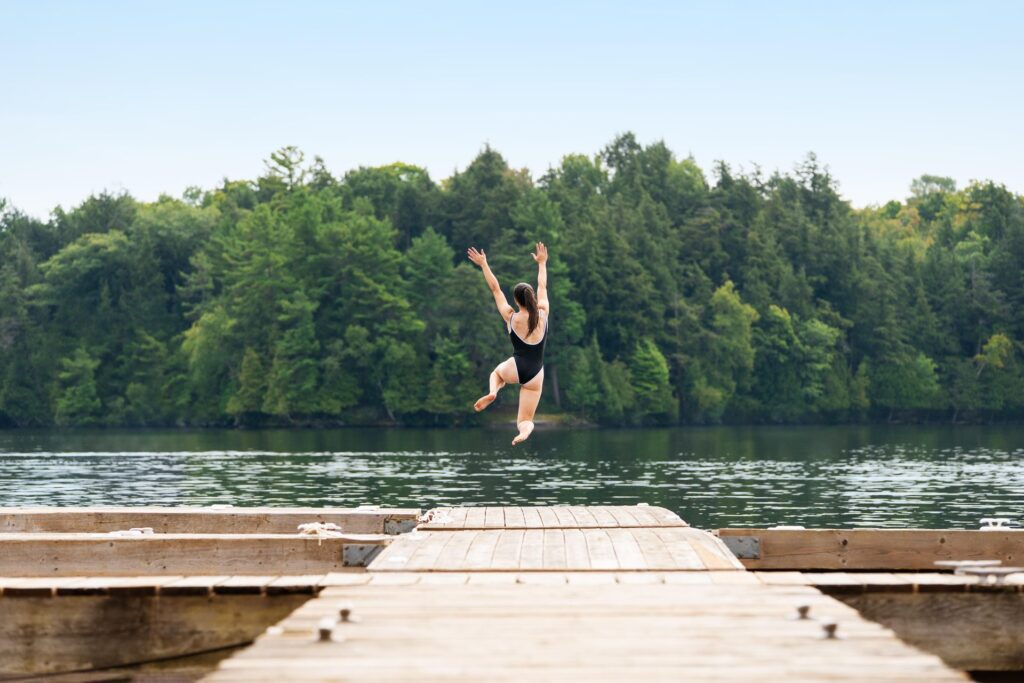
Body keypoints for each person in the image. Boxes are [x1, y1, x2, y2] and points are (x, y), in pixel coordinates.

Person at [466, 242, 549, 445]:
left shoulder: (510, 317)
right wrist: (542, 263)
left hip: (516, 367)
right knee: (525, 420)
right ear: (532, 299)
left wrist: (484, 264)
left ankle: (493, 392)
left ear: (516, 300)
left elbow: (495, 289)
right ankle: (523, 433)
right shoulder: (543, 313)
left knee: (496, 374)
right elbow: (542, 285)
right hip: (535, 374)